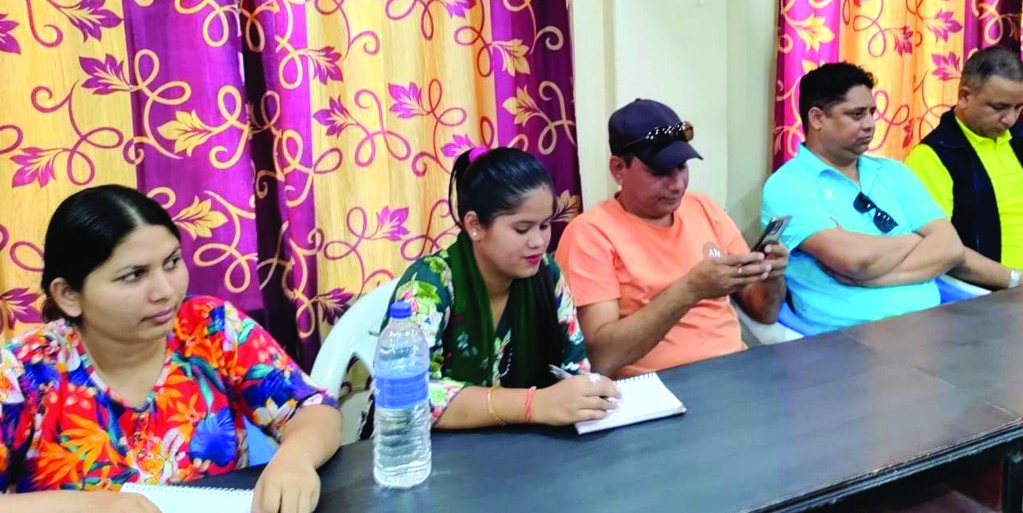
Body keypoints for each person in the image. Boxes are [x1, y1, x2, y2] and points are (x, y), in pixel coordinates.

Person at [0, 185, 341, 513]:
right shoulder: (25, 373)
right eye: (134, 275)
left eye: (172, 262)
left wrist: (295, 458)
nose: (165, 291)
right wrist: (86, 506)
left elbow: (311, 408)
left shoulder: (210, 327)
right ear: (68, 295)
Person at [359, 147, 619, 436]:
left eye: (545, 225)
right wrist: (534, 404)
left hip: (519, 448)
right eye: (522, 229)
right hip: (423, 451)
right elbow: (404, 395)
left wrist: (585, 395)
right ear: (474, 226)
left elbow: (574, 368)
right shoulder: (428, 285)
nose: (538, 242)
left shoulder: (547, 275)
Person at [555, 99, 788, 378]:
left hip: (735, 371)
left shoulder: (703, 209)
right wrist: (689, 290)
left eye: (682, 167)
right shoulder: (590, 234)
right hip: (654, 386)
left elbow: (764, 312)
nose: (677, 185)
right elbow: (601, 357)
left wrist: (772, 276)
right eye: (659, 173)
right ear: (618, 169)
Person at [761, 63, 965, 333]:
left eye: (871, 113)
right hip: (846, 338)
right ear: (817, 118)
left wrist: (872, 278)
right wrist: (916, 239)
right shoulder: (788, 185)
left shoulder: (894, 172)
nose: (870, 124)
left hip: (931, 326)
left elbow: (951, 247)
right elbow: (854, 260)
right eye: (856, 114)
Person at [905, 45, 1023, 289]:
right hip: (1012, 292)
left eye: (1018, 107)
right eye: (999, 107)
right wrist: (1019, 280)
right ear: (964, 96)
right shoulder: (933, 156)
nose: (1010, 119)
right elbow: (940, 249)